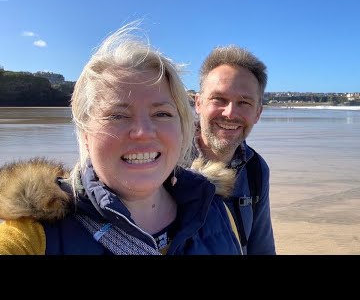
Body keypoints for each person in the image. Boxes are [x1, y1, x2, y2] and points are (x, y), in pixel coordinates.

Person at [0, 21, 242, 255]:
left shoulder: (214, 209)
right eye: (117, 115)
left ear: (182, 127)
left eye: (162, 113)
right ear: (85, 133)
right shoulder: (34, 235)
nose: (144, 131)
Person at [191, 45, 276, 255]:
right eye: (219, 99)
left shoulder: (255, 169)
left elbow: (261, 248)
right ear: (198, 103)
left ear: (258, 112)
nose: (230, 113)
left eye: (244, 102)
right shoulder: (164, 160)